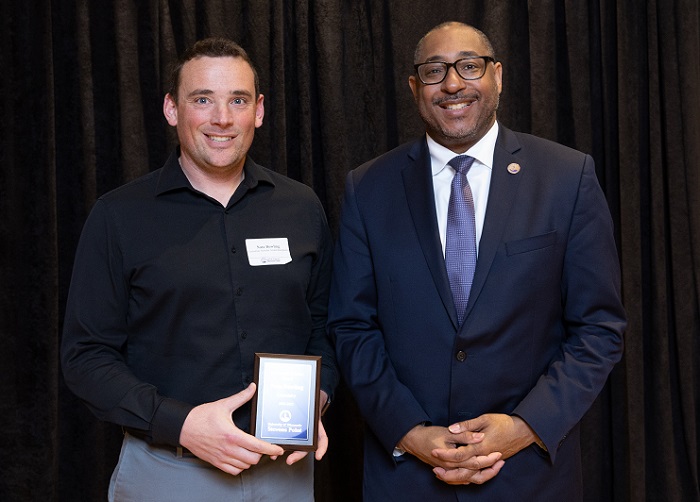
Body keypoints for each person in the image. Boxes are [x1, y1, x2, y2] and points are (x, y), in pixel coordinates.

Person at [327, 21, 626, 501]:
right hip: (406, 479)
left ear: (499, 76)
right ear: (413, 87)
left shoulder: (567, 179)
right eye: (434, 71)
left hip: (530, 476)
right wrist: (408, 431)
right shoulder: (368, 188)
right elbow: (351, 327)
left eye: (470, 66)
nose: (452, 84)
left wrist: (526, 426)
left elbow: (599, 328)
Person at [61, 37, 338, 501]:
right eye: (202, 99)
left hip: (284, 474)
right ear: (172, 109)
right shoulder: (119, 216)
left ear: (260, 110)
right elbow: (86, 357)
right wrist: (182, 424)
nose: (222, 118)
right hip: (168, 472)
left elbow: (326, 324)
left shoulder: (301, 207)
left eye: (238, 100)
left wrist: (318, 397)